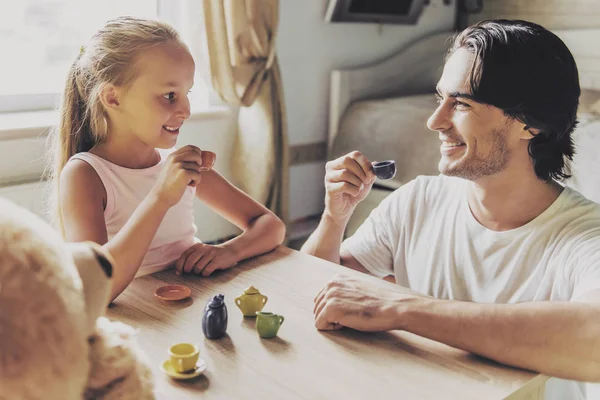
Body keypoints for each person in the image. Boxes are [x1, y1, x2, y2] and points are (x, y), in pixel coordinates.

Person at [302, 19, 600, 399]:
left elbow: (595, 339)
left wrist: (403, 308)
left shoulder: (587, 236)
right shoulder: (417, 200)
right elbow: (315, 296)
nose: (434, 121)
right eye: (439, 98)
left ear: (531, 123)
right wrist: (334, 219)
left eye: (461, 103)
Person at [46, 17, 285, 301]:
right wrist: (161, 197)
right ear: (113, 98)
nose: (185, 109)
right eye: (170, 95)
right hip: (137, 321)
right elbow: (95, 287)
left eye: (187, 93)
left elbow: (271, 226)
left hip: (190, 304)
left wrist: (228, 251)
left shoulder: (180, 165)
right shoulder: (85, 175)